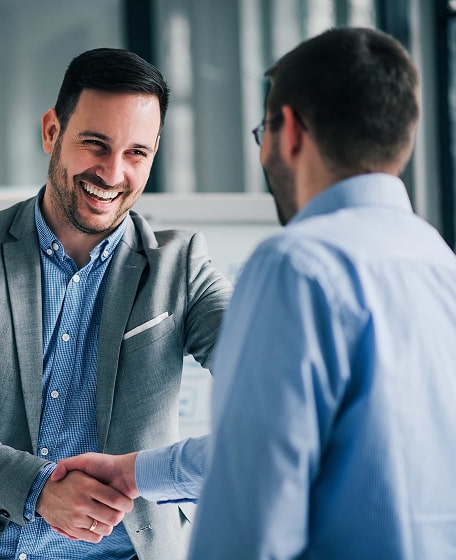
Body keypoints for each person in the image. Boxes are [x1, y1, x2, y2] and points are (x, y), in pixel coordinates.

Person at [53, 27, 456, 559]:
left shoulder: (297, 264)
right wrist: (135, 472)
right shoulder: (438, 262)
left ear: (286, 131)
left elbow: (252, 498)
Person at [0, 48, 233, 559]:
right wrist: (37, 488)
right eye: (95, 144)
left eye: (137, 153)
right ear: (52, 131)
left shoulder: (182, 267)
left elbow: (268, 378)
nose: (113, 173)